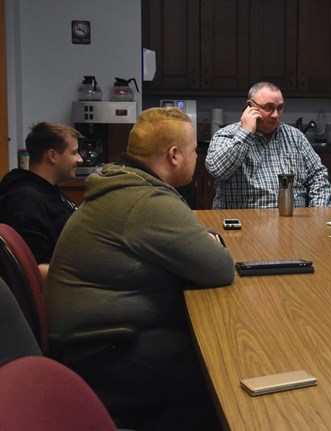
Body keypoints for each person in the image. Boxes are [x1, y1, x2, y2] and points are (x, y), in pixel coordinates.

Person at [46, 107, 234, 429]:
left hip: (98, 336)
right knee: (224, 370)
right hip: (104, 349)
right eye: (194, 150)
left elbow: (193, 243)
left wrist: (203, 241)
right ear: (174, 155)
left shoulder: (126, 183)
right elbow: (218, 268)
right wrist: (210, 243)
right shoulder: (145, 201)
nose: (197, 156)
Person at [205, 81, 331, 208]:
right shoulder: (227, 135)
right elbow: (217, 170)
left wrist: (318, 212)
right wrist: (245, 133)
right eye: (269, 107)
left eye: (280, 108)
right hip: (246, 222)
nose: (276, 115)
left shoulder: (296, 137)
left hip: (294, 222)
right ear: (250, 106)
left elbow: (318, 176)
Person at [0, 122, 83, 278]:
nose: (80, 159)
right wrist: (92, 274)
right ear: (52, 156)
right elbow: (33, 270)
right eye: (74, 153)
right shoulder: (25, 201)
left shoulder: (49, 190)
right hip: (60, 293)